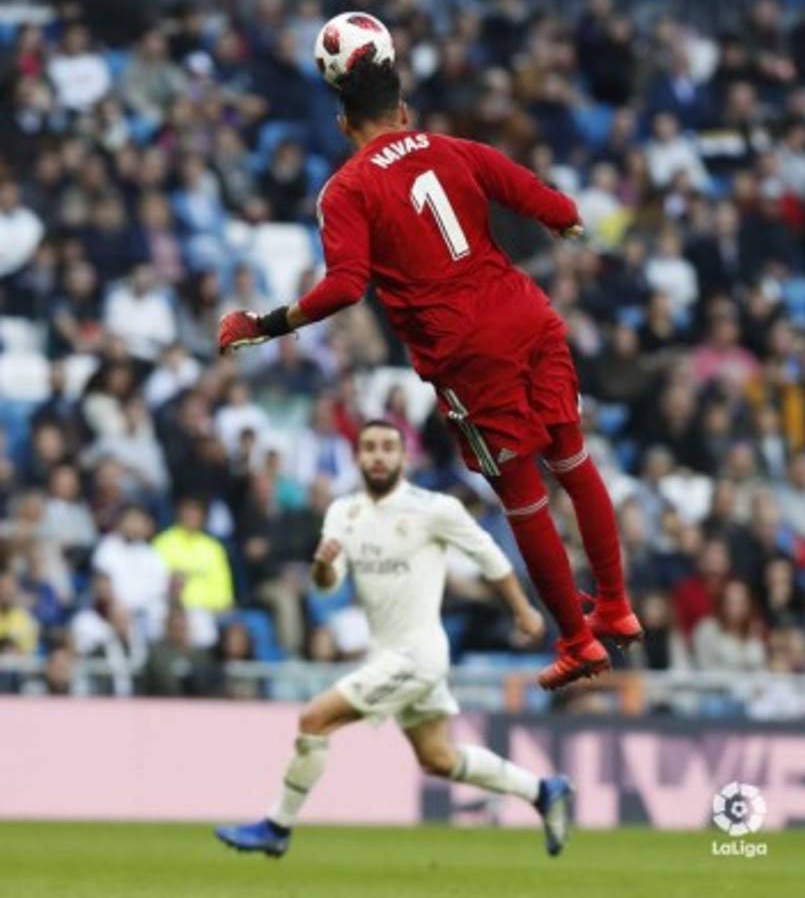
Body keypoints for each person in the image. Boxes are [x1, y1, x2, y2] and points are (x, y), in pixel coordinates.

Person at [218, 60, 641, 689]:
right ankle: (616, 604)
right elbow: (547, 202)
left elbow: (343, 288)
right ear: (404, 113)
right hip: (528, 314)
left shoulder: (345, 190)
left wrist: (267, 323)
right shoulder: (454, 149)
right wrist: (564, 219)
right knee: (574, 463)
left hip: (467, 349)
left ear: (343, 125)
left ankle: (579, 642)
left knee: (524, 499)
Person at [215, 420, 573, 859]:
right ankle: (542, 790)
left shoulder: (434, 508)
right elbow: (327, 584)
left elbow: (489, 555)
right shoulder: (343, 512)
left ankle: (277, 826)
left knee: (314, 719)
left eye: (388, 447)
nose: (378, 455)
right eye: (369, 448)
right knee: (438, 757)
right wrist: (324, 567)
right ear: (358, 457)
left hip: (419, 654)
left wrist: (522, 608)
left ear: (403, 458)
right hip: (386, 652)